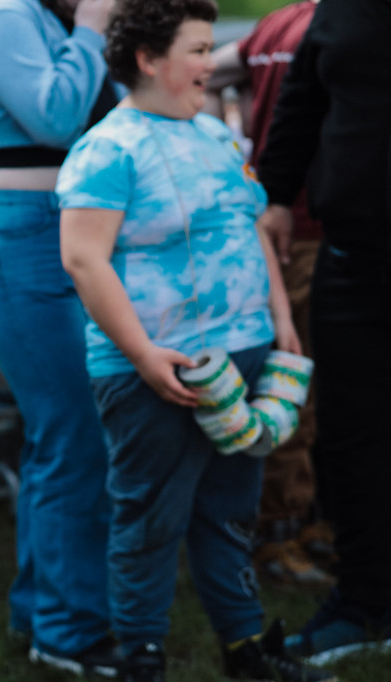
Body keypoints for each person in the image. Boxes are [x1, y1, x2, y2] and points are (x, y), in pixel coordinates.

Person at [57, 1, 336, 680]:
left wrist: (281, 320)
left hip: (241, 356)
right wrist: (146, 357)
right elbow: (83, 260)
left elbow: (254, 233)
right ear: (149, 60)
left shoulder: (217, 138)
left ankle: (245, 648)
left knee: (231, 512)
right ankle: (143, 657)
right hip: (156, 369)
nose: (213, 65)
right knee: (150, 518)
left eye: (212, 49)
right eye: (199, 51)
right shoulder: (106, 148)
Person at [0, 0, 120, 675]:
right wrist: (91, 28)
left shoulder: (51, 20)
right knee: (74, 431)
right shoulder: (5, 13)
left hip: (67, 227)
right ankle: (68, 630)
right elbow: (54, 115)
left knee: (60, 435)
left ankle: (41, 610)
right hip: (20, 233)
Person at [255, 0, 391, 661]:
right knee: (348, 433)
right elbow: (304, 95)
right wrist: (277, 194)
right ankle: (366, 601)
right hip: (353, 251)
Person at [204, 0, 332, 588]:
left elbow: (207, 71)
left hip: (273, 223)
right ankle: (284, 535)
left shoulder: (275, 24)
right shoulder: (334, 25)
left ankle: (298, 525)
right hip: (311, 228)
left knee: (292, 380)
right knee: (297, 386)